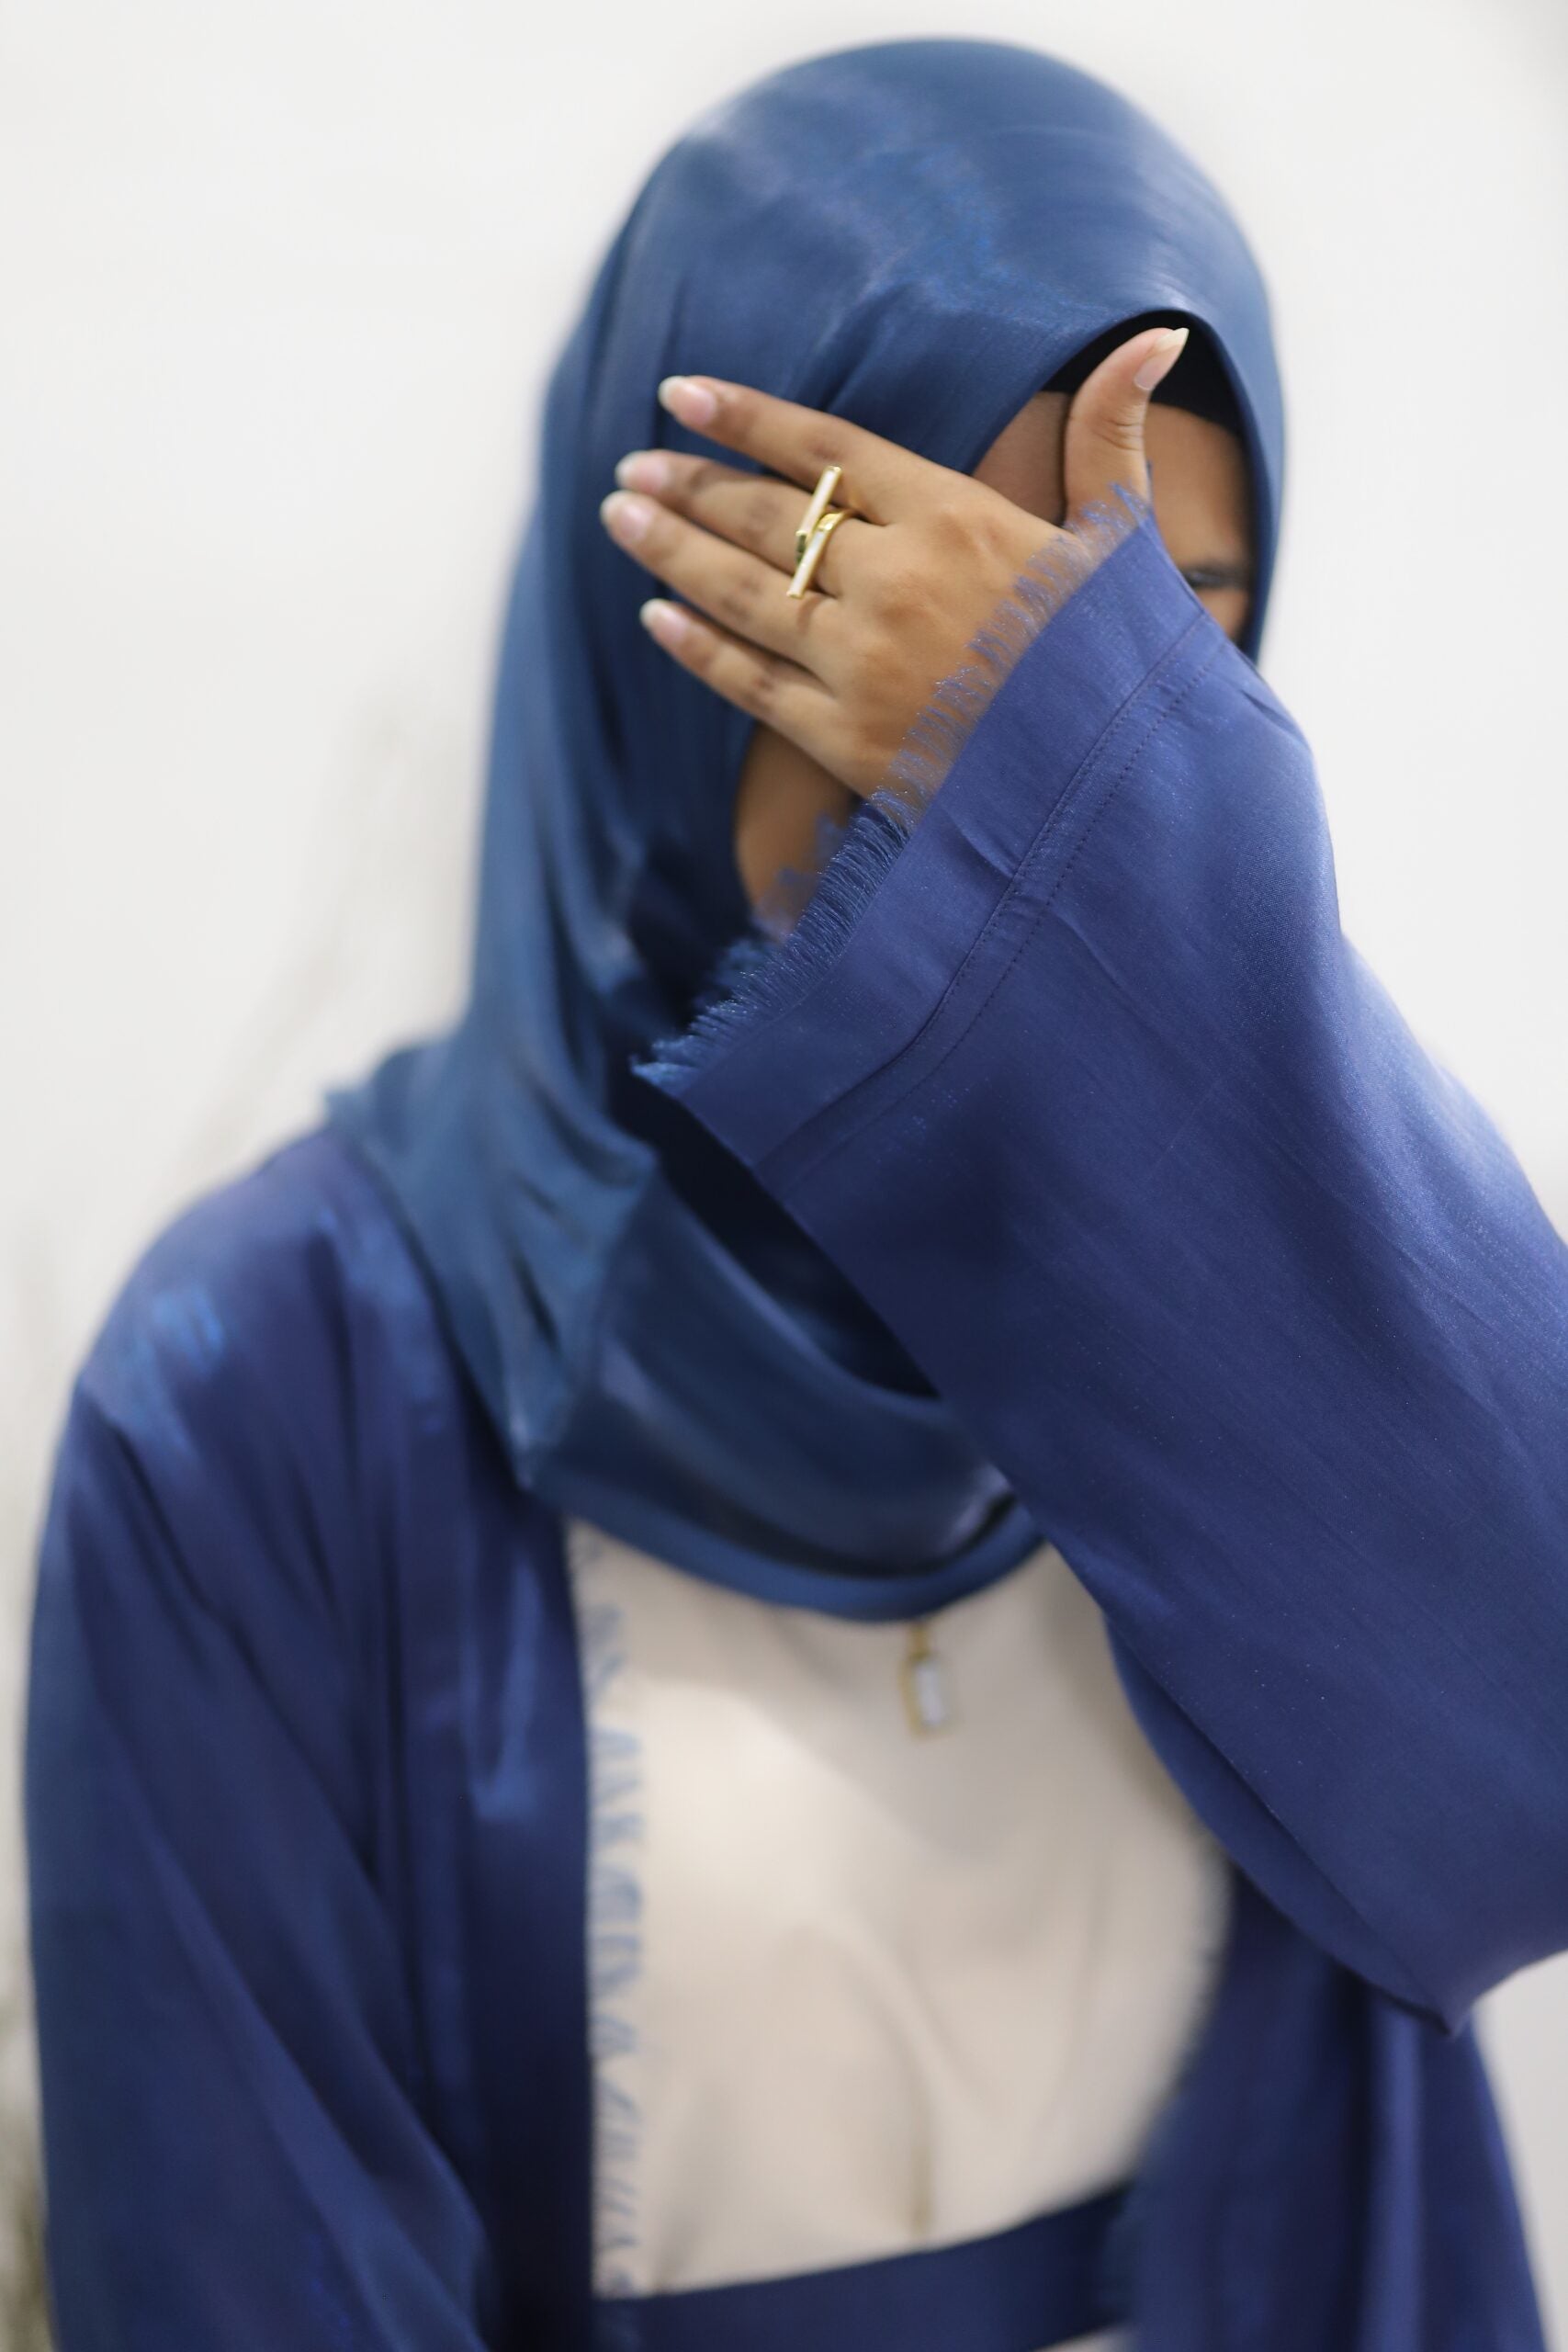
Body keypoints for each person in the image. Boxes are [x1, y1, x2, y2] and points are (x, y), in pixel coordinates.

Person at [23, 36, 1568, 2352]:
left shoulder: (1293, 1276)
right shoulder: (266, 1385)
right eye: (882, 605)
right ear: (648, 610)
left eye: (1138, 655)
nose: (994, 744)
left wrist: (1140, 890)